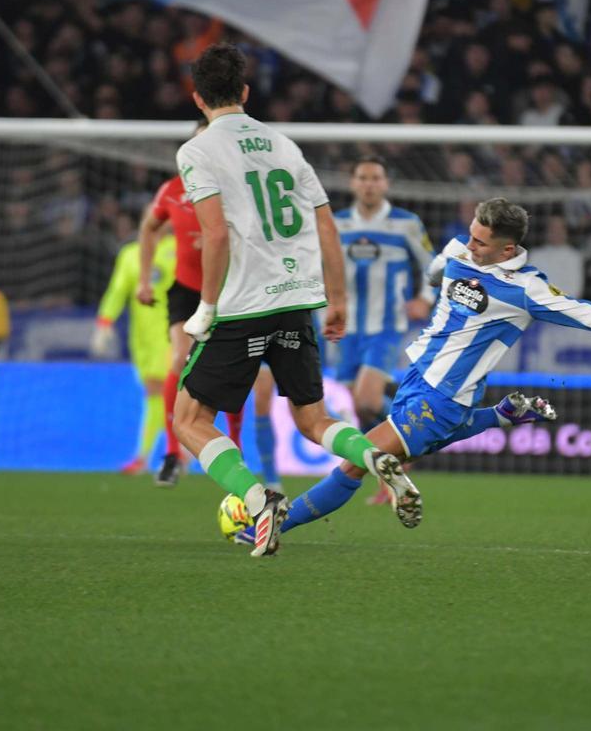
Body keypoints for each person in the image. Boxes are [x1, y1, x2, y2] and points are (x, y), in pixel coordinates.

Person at [238, 198, 591, 545]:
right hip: (416, 378)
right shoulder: (459, 252)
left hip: (442, 397)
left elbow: (577, 309)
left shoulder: (524, 289)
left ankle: (274, 525)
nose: (471, 245)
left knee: (355, 463)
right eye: (471, 235)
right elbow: (438, 269)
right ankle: (502, 415)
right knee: (399, 446)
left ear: (508, 250)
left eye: (481, 243)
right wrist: (434, 277)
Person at [172, 43, 414, 557]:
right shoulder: (284, 145)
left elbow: (215, 234)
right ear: (245, 92)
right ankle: (372, 456)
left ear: (197, 99)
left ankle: (258, 499)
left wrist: (206, 307)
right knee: (313, 419)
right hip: (298, 302)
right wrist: (337, 299)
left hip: (243, 306)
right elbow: (326, 226)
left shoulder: (197, 150)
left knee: (189, 420)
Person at [137, 126, 267, 488]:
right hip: (186, 289)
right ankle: (172, 454)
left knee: (234, 370)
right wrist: (144, 280)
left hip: (230, 289)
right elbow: (149, 228)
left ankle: (235, 445)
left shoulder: (240, 189)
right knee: (179, 359)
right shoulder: (172, 189)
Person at [333, 157, 436, 505]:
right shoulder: (337, 224)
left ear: (386, 183)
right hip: (347, 330)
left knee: (366, 400)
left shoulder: (406, 223)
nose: (369, 184)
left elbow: (433, 266)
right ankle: (389, 476)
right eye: (363, 178)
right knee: (362, 409)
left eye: (375, 178)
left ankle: (414, 432)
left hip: (386, 327)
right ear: (353, 183)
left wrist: (424, 299)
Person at [91, 220, 175, 478]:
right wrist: (104, 322)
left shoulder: (178, 249)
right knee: (158, 392)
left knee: (161, 389)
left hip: (172, 331)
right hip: (140, 337)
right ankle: (176, 454)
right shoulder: (130, 254)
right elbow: (117, 290)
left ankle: (147, 456)